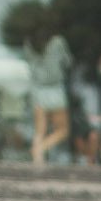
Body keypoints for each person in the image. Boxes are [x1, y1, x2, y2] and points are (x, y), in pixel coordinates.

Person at [22, 22, 74, 164]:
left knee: (40, 132)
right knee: (63, 130)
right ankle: (39, 149)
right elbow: (68, 62)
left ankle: (38, 163)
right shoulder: (58, 42)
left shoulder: (28, 45)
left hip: (38, 91)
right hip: (55, 90)